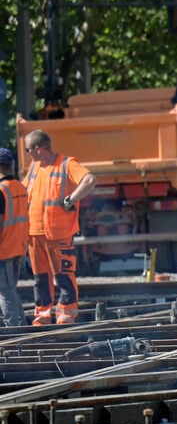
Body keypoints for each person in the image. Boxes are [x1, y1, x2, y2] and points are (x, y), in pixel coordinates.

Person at [23, 130, 97, 325]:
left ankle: (66, 314)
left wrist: (71, 199)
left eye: (28, 149)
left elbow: (90, 180)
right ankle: (43, 313)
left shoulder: (66, 164)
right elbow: (24, 193)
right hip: (34, 233)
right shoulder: (34, 167)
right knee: (40, 277)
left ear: (38, 148)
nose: (27, 153)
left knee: (63, 275)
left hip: (58, 233)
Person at [0, 148, 28, 327]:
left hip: (4, 248)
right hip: (18, 246)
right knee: (10, 290)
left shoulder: (1, 189)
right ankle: (22, 326)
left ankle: (14, 331)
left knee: (5, 293)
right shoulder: (20, 186)